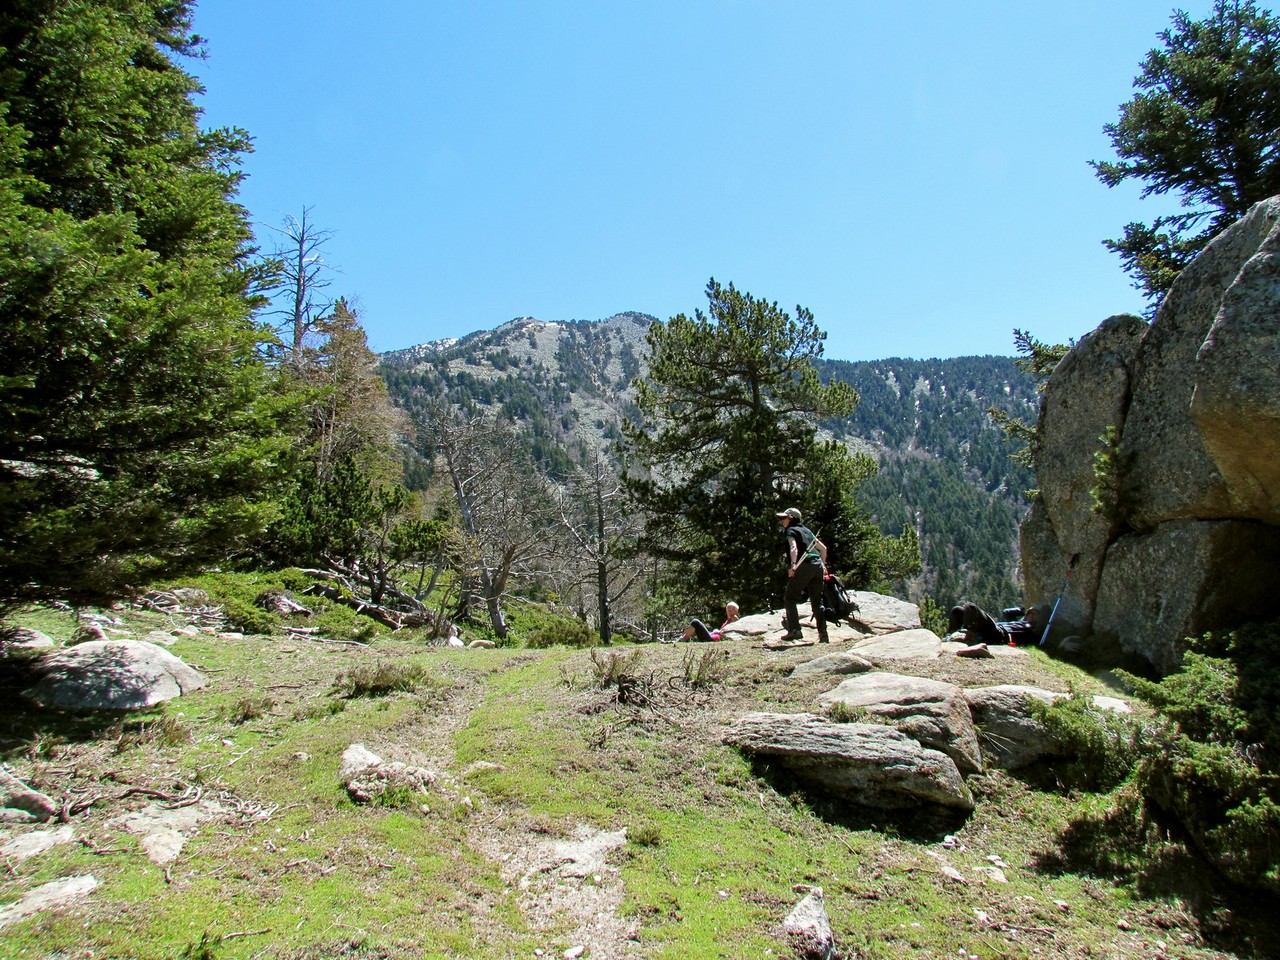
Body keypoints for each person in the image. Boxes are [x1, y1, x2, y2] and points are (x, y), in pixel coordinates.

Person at [777, 507, 828, 643]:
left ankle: (795, 630)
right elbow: (823, 549)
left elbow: (794, 548)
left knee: (790, 598)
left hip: (802, 565)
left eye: (784, 518)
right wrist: (823, 566)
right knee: (817, 603)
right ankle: (823, 634)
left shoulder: (790, 531)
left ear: (791, 518)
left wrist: (793, 566)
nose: (782, 521)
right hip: (817, 565)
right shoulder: (807, 531)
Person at [947, 602, 1047, 646]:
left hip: (999, 636)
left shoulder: (1032, 629)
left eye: (1034, 614)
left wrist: (1037, 616)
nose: (1032, 615)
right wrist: (1025, 611)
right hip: (993, 630)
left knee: (971, 608)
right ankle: (951, 635)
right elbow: (1006, 612)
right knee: (957, 610)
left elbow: (1045, 612)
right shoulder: (1019, 621)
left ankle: (969, 636)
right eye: (1031, 613)